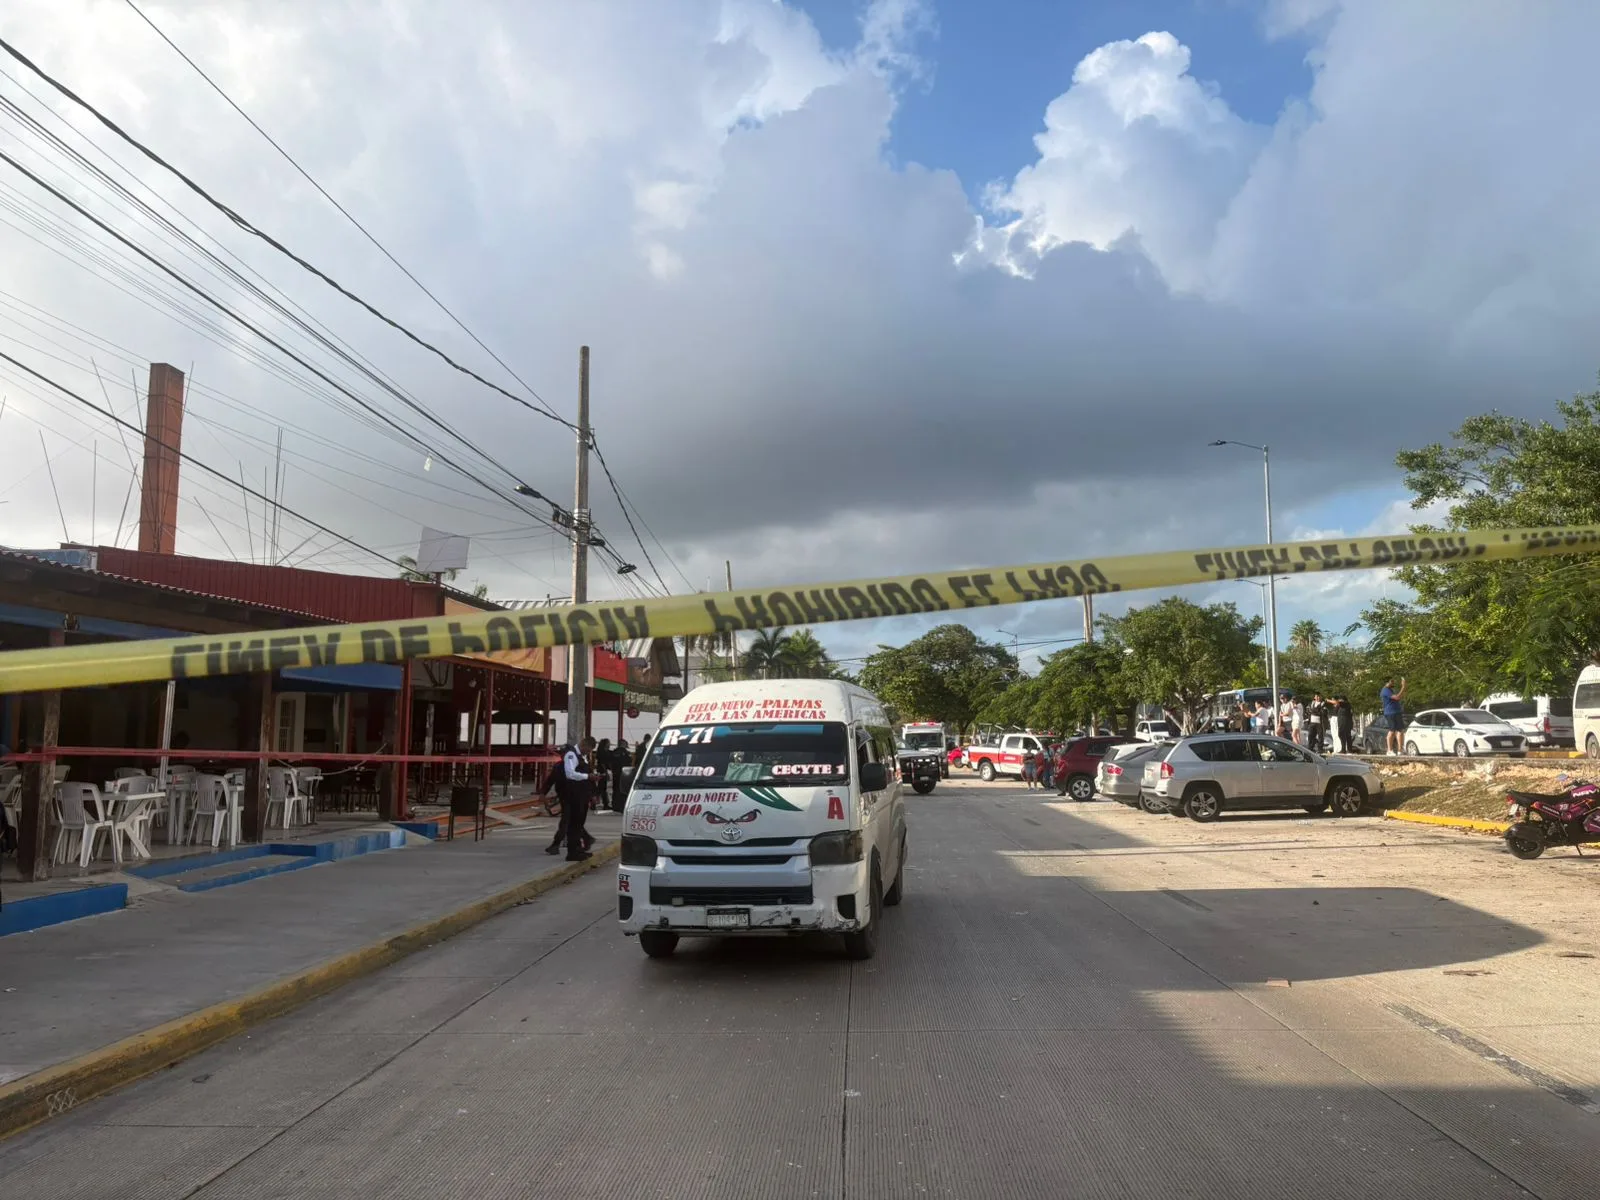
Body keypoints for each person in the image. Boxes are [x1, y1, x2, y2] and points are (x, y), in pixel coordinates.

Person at [544, 737, 595, 860]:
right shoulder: (571, 755)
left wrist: (592, 792)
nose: (587, 753)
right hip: (571, 795)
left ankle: (578, 849)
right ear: (583, 744)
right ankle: (572, 851)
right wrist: (587, 776)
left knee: (577, 823)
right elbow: (570, 774)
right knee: (572, 823)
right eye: (587, 750)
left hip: (580, 795)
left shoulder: (581, 757)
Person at [1380, 676, 1407, 755]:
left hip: (1397, 711)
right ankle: (1389, 750)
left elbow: (1398, 697)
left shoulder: (1391, 690)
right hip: (1390, 713)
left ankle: (1400, 750)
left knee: (1400, 731)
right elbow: (1397, 697)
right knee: (1392, 731)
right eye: (1391, 681)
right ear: (1387, 682)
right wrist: (1403, 687)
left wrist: (1403, 689)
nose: (1393, 683)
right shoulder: (1385, 690)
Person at [611, 738, 630, 810]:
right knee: (622, 789)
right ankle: (621, 806)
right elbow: (629, 762)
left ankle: (614, 805)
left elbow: (611, 762)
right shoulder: (625, 752)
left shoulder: (614, 752)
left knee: (615, 789)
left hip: (615, 773)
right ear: (623, 744)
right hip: (624, 774)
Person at [593, 738, 612, 810]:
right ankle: (604, 803)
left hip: (601, 770)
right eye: (608, 743)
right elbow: (602, 763)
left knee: (601, 788)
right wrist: (605, 772)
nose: (609, 744)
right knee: (602, 788)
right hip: (602, 771)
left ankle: (598, 802)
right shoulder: (603, 752)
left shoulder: (601, 751)